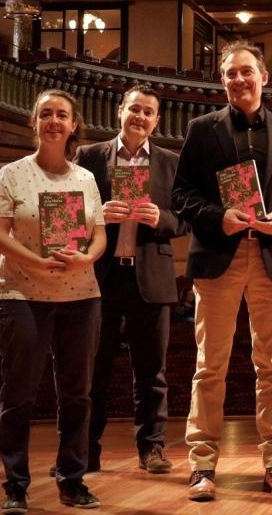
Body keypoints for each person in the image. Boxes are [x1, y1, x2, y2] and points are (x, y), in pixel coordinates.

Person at [171, 40, 272, 501]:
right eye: (230, 73)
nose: (239, 79)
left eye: (246, 71)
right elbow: (181, 196)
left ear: (264, 76)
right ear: (222, 81)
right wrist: (220, 217)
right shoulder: (201, 129)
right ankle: (202, 466)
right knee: (208, 367)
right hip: (219, 256)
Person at [0, 89, 107, 511]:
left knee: (78, 394)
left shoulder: (85, 178)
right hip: (22, 294)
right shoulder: (12, 173)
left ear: (74, 125)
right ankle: (16, 485)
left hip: (81, 296)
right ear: (34, 123)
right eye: (46, 115)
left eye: (62, 115)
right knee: (18, 393)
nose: (54, 121)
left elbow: (99, 235)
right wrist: (36, 262)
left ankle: (72, 479)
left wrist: (86, 258)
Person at [74, 84, 189, 476]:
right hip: (100, 278)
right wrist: (95, 215)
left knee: (152, 373)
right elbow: (71, 216)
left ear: (157, 121)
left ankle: (152, 448)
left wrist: (163, 220)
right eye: (134, 109)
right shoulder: (89, 157)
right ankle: (87, 450)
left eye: (148, 112)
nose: (140, 117)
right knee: (94, 371)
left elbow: (187, 218)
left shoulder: (172, 163)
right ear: (119, 111)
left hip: (151, 279)